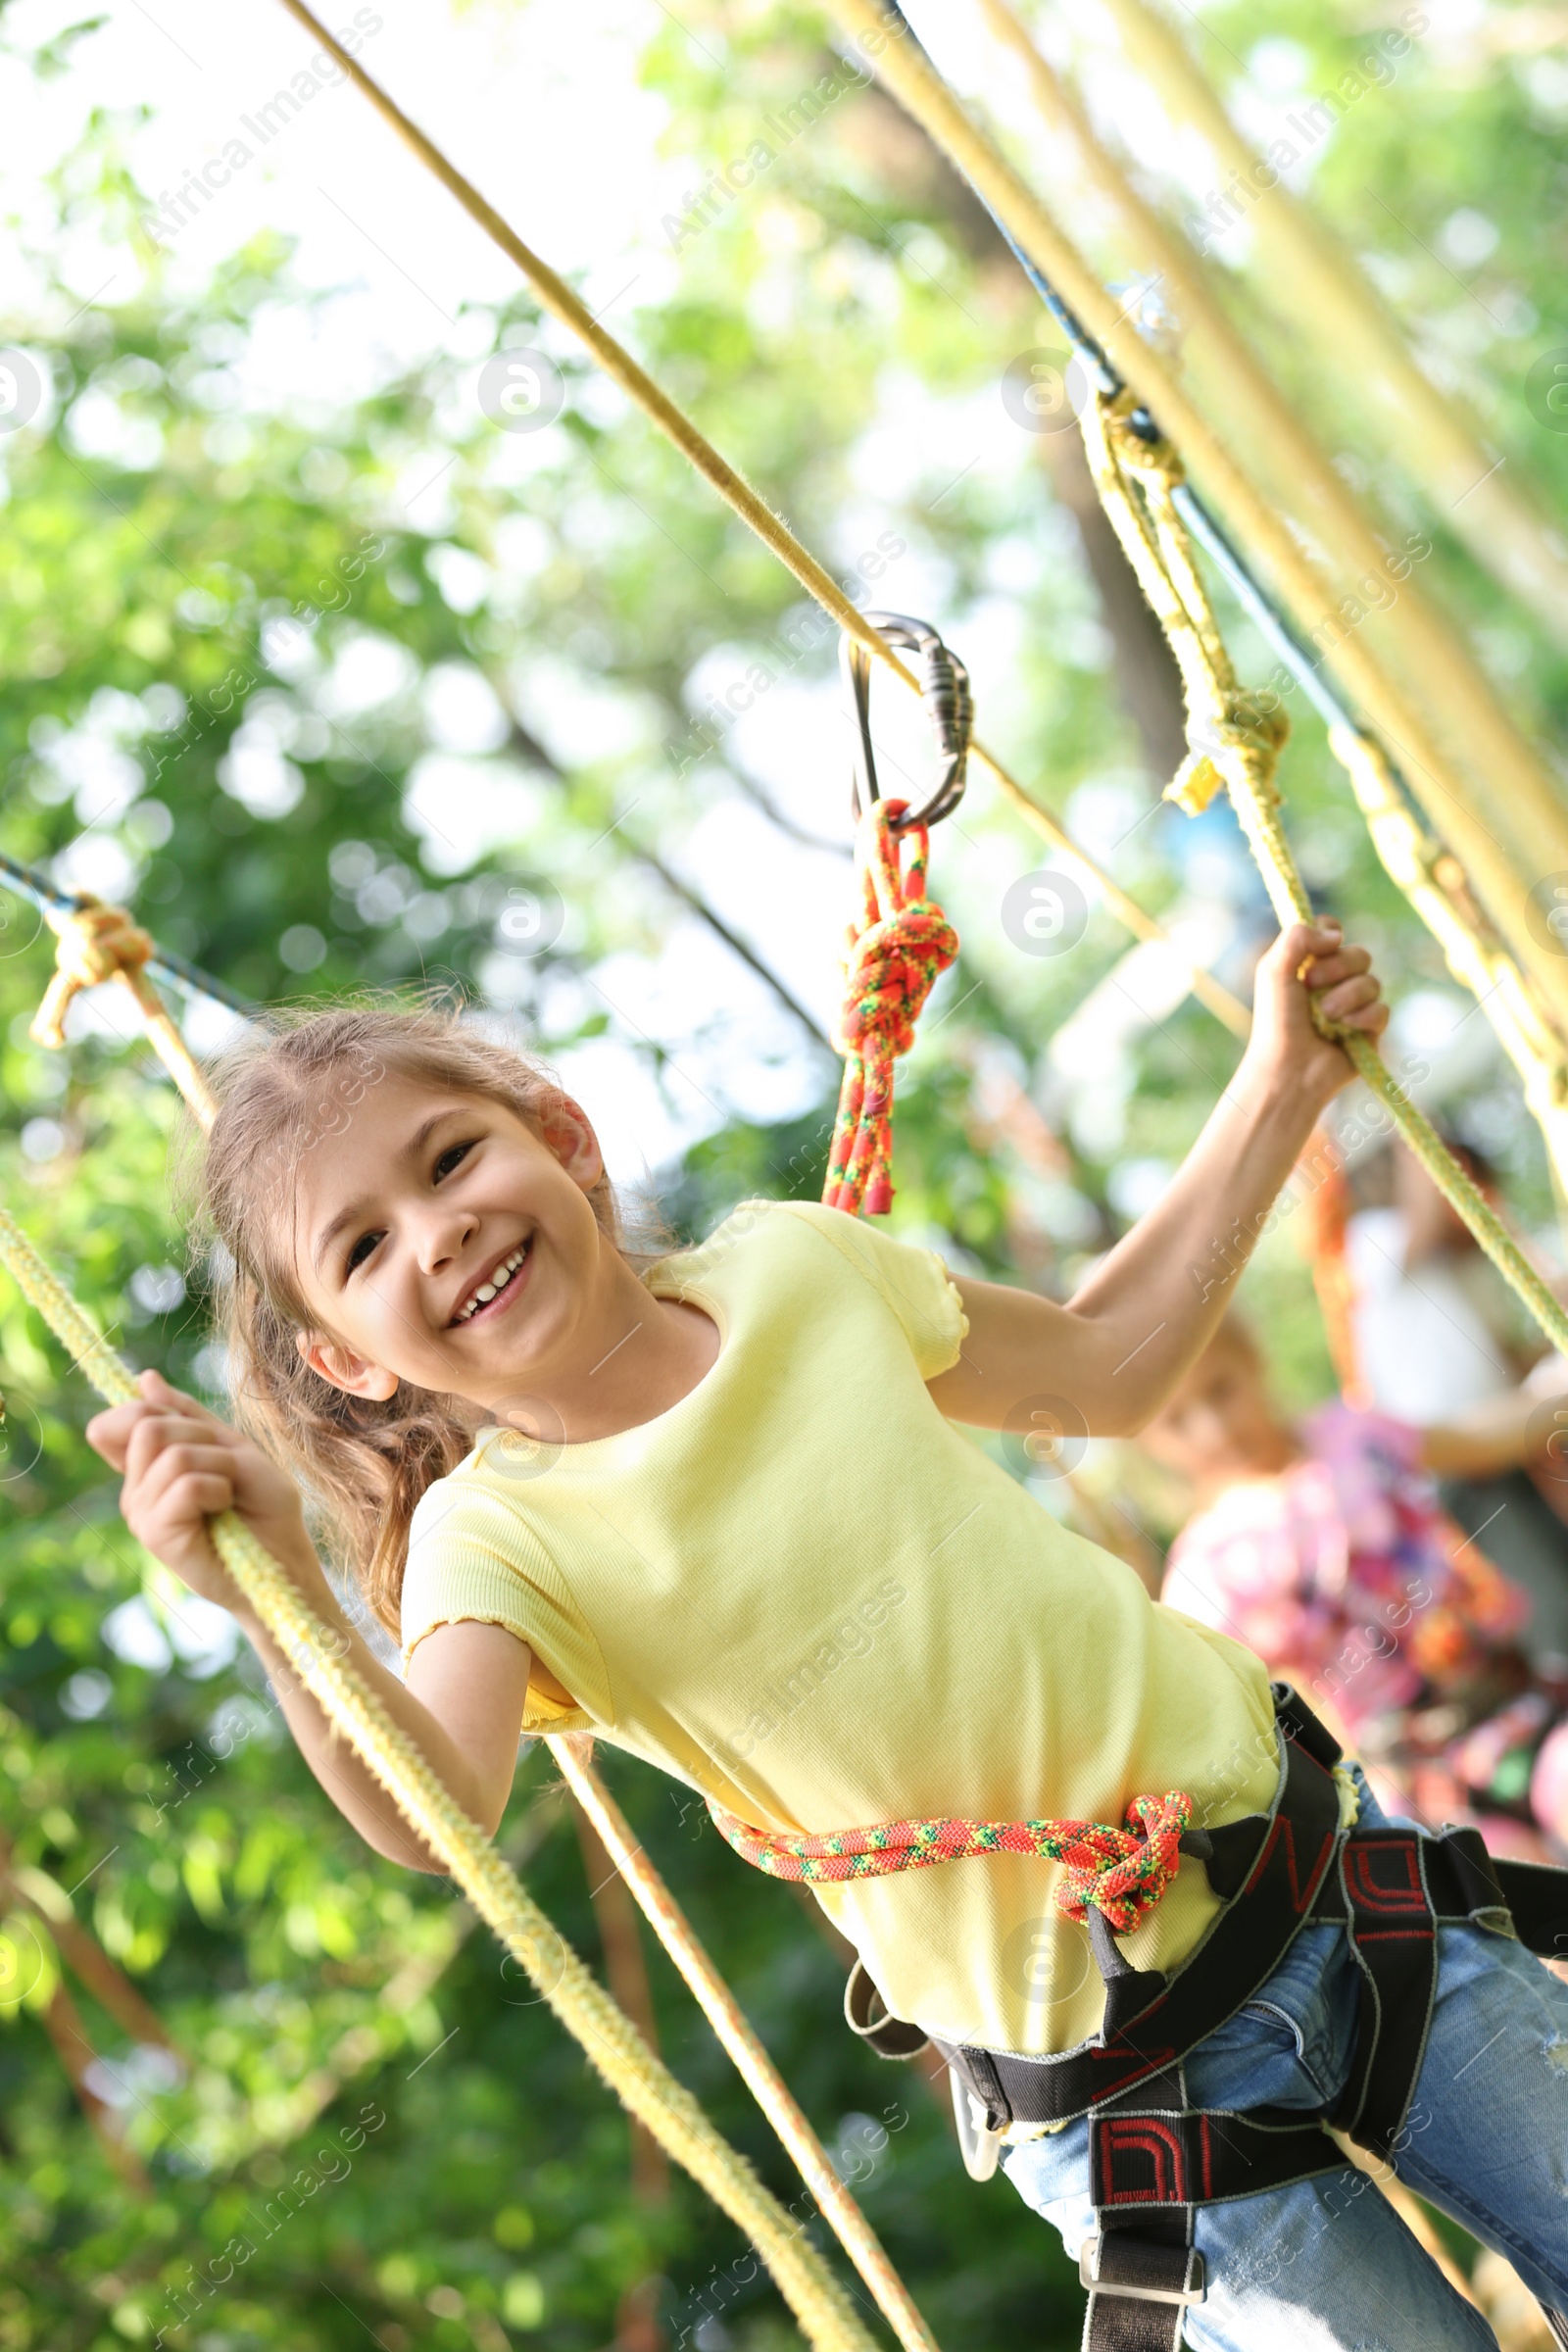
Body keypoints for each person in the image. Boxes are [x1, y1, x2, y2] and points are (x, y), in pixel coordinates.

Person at [84, 921, 1568, 2349]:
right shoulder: (497, 1541)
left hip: (1331, 1897)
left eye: (454, 1157)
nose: (441, 1226)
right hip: (1125, 2094)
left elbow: (1106, 1366)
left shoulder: (794, 1270)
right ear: (347, 1361)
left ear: (564, 1136)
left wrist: (1280, 1082)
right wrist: (276, 1598)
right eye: (363, 1245)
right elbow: (438, 1809)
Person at [1145, 1315, 1568, 1857]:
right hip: (1420, 1780)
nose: (1213, 1429)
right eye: (1176, 1420)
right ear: (1149, 1440)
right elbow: (1213, 1710)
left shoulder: (1353, 1438)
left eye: (1220, 1389)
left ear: (1251, 1360)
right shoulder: (1208, 1567)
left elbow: (1478, 1438)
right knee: (1525, 1911)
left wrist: (1553, 1399)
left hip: (1513, 1700)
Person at [1345, 1135, 1568, 1658]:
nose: (1476, 1196)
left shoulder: (1460, 1272)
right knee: (1546, 1584)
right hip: (1457, 1462)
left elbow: (1514, 1361)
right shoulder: (1374, 1241)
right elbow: (1422, 1216)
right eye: (1459, 1182)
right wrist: (1416, 1139)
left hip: (1506, 1444)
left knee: (1557, 1556)